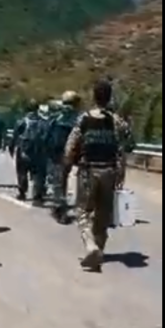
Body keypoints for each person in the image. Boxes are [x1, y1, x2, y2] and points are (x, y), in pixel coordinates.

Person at [62, 79, 130, 271]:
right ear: (109, 98)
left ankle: (91, 246)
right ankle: (98, 250)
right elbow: (124, 145)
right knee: (103, 214)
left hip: (88, 171)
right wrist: (121, 173)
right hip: (110, 171)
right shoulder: (116, 120)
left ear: (94, 96)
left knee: (83, 211)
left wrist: (67, 165)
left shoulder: (84, 119)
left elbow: (71, 145)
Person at [48, 91, 83, 223]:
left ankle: (60, 210)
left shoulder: (57, 115)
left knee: (59, 182)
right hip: (73, 152)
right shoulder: (78, 117)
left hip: (57, 152)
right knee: (66, 179)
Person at [11, 99, 49, 205]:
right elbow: (46, 137)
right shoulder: (43, 122)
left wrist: (11, 148)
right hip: (38, 152)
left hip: (23, 151)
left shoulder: (21, 121)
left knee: (22, 172)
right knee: (38, 174)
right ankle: (37, 196)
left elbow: (15, 137)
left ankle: (22, 192)